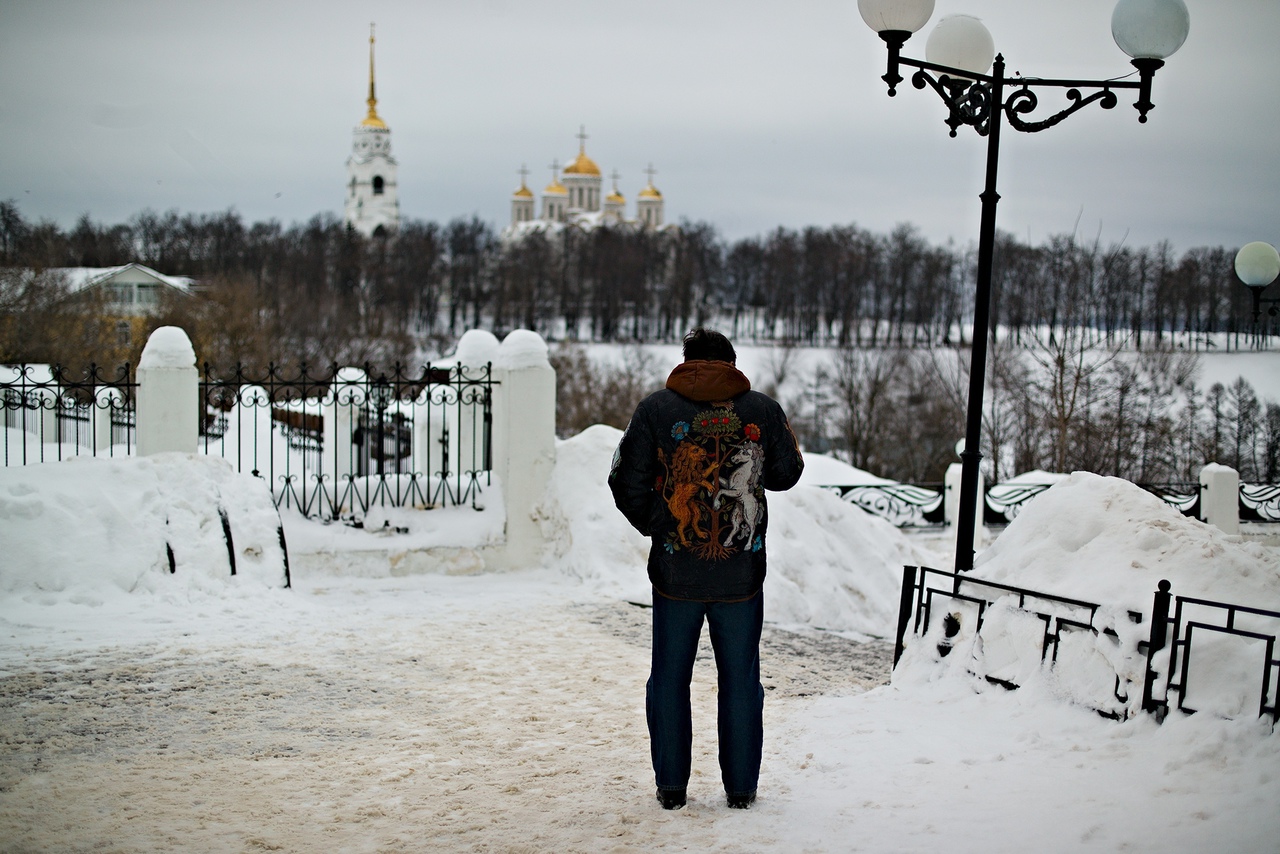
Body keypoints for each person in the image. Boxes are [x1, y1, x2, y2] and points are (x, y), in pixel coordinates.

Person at [608, 328, 804, 811]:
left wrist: (663, 522)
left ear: (686, 361)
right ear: (732, 363)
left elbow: (623, 481)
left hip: (677, 575)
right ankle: (741, 791)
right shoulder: (760, 409)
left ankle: (672, 790)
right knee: (740, 681)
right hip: (740, 574)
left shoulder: (655, 409)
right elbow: (787, 474)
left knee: (668, 679)